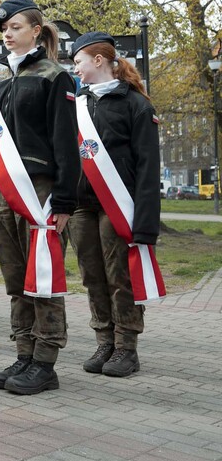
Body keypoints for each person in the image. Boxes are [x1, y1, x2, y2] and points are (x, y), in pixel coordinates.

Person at [0, 0, 79, 395]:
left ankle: (45, 361)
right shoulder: (1, 83)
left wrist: (66, 200)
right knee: (16, 277)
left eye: (15, 28)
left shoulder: (56, 77)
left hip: (40, 191)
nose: (8, 35)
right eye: (4, 30)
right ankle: (25, 351)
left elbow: (67, 141)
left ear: (36, 31)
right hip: (1, 191)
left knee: (43, 276)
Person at [68, 31, 162, 377]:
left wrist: (146, 223)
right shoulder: (77, 103)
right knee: (92, 275)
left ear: (98, 60)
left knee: (118, 275)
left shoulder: (136, 104)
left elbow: (148, 167)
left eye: (77, 61)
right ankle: (104, 339)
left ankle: (126, 346)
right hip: (82, 204)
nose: (74, 68)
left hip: (118, 206)